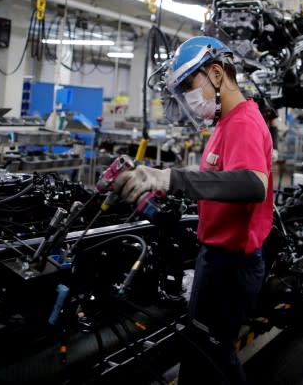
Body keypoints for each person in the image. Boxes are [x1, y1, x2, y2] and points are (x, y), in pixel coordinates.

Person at [112, 36, 272, 384]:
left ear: (217, 73)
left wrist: (172, 178)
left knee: (213, 358)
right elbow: (218, 183)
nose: (187, 96)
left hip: (231, 266)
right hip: (215, 259)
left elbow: (253, 184)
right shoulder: (225, 124)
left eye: (188, 84)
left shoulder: (243, 122)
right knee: (203, 354)